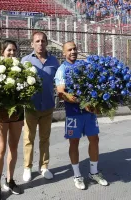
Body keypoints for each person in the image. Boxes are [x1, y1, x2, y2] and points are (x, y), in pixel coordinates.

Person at [54, 41, 108, 190]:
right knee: (74, 143)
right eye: (69, 50)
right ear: (64, 53)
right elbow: (61, 92)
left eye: (75, 49)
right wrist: (75, 99)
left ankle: (94, 172)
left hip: (89, 113)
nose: (73, 51)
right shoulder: (61, 69)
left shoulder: (84, 66)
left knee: (94, 140)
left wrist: (95, 103)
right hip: (73, 114)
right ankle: (77, 175)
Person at [21, 31, 60, 182]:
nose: (40, 43)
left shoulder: (54, 61)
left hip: (48, 106)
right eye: (37, 41)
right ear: (32, 44)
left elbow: (59, 81)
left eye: (43, 41)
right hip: (31, 106)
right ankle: (27, 168)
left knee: (45, 138)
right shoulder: (25, 61)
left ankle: (43, 167)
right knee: (28, 139)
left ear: (47, 43)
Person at [0, 40, 23, 200]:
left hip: (17, 113)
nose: (12, 53)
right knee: (1, 149)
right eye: (9, 50)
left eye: (14, 50)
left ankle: (10, 180)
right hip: (0, 114)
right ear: (2, 51)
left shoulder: (21, 69)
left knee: (13, 147)